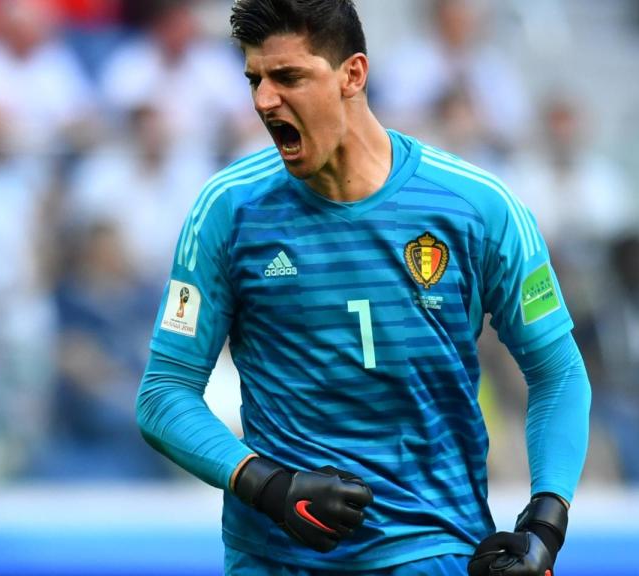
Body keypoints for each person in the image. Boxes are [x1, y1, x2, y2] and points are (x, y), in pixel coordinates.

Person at [135, 1, 591, 575]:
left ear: (353, 74)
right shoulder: (228, 210)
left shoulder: (478, 206)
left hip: (433, 548)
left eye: (289, 77)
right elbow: (163, 395)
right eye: (255, 79)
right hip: (277, 557)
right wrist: (269, 485)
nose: (263, 100)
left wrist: (545, 526)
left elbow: (559, 373)